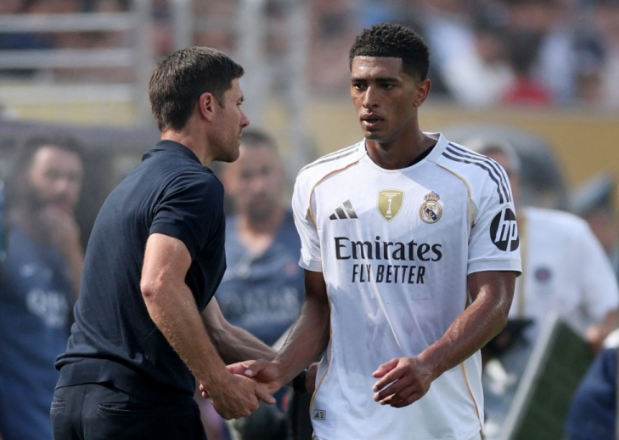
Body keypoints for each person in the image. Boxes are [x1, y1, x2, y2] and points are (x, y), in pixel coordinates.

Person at [225, 23, 522, 440]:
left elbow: (495, 301)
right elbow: (320, 306)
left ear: (421, 92)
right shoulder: (317, 182)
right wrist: (279, 368)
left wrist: (429, 364)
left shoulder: (478, 178)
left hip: (441, 425)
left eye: (387, 85)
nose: (369, 100)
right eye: (359, 85)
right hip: (342, 423)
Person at [51, 46, 277, 440]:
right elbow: (159, 285)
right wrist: (218, 382)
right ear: (208, 106)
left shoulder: (132, 186)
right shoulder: (196, 184)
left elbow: (218, 330)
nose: (245, 119)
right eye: (237, 103)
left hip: (73, 404)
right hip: (138, 408)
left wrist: (300, 373)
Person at [466, 138, 619, 436]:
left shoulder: (568, 234)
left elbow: (611, 315)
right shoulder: (448, 240)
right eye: (481, 175)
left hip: (559, 394)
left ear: (519, 182)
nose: (495, 185)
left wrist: (592, 343)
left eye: (504, 174)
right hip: (482, 398)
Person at [212, 128, 312, 440]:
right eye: (246, 175)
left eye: (266, 172)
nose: (258, 185)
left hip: (303, 400)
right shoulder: (212, 244)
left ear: (280, 173)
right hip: (238, 409)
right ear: (226, 182)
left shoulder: (309, 237)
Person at [0, 133, 85, 440]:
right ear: (23, 178)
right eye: (52, 175)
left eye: (72, 178)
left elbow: (96, 324)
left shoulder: (70, 251)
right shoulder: (7, 241)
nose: (63, 187)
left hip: (58, 420)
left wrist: (72, 254)